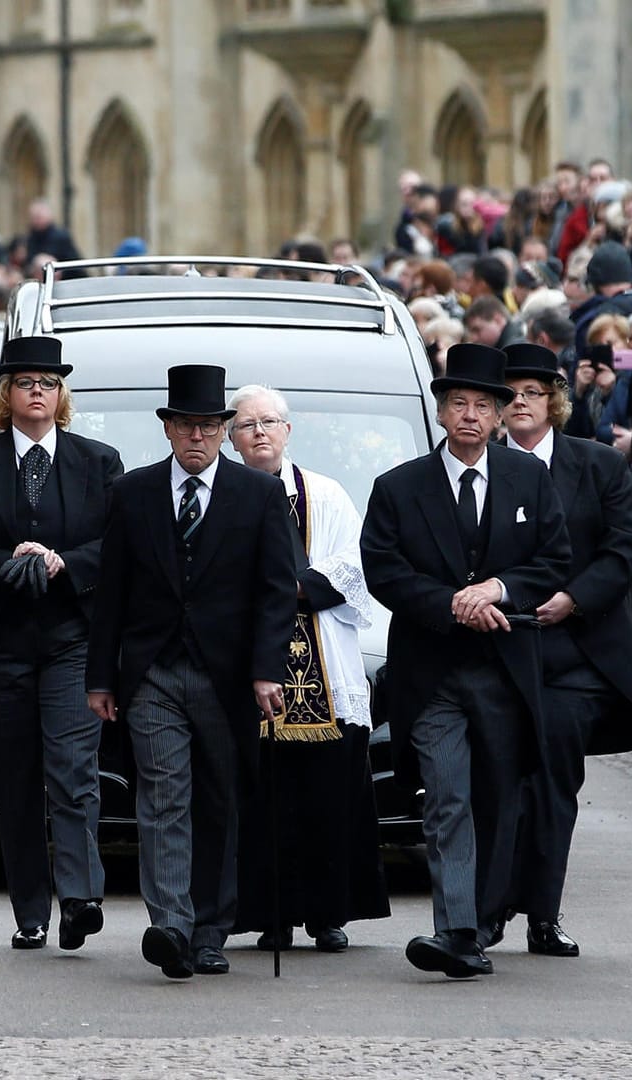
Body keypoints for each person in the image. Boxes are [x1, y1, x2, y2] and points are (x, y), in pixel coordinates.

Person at [360, 343, 571, 980]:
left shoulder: (528, 480)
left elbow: (553, 561)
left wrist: (499, 589)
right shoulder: (399, 487)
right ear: (442, 411)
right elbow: (384, 570)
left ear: (501, 414)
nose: (471, 416)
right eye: (460, 404)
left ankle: (479, 922)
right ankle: (453, 930)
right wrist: (453, 603)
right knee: (446, 796)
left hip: (505, 670)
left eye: (484, 405)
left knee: (497, 798)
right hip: (432, 672)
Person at [85, 364, 299, 980]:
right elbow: (112, 593)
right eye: (186, 426)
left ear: (223, 430)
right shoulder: (132, 493)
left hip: (227, 675)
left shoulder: (257, 496)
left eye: (208, 426)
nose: (197, 437)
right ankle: (171, 927)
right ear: (170, 429)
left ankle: (211, 929)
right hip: (152, 673)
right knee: (161, 798)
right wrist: (102, 676)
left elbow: (275, 592)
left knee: (219, 801)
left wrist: (267, 670)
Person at [0, 337, 122, 949]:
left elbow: (120, 549)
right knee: (13, 781)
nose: (36, 391)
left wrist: (67, 563)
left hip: (72, 642)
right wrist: (4, 561)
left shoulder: (98, 462)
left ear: (61, 393)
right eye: (24, 382)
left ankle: (81, 897)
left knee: (74, 772)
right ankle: (31, 910)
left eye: (47, 381)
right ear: (5, 395)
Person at [489, 343, 632, 957]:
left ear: (554, 401)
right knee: (500, 783)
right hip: (500, 649)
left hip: (575, 654)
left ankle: (541, 914)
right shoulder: (479, 466)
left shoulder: (597, 465)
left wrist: (572, 600)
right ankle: (487, 911)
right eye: (509, 396)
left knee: (552, 783)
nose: (521, 405)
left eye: (532, 393)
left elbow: (622, 551)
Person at [224, 385, 389, 953]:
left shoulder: (326, 494)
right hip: (250, 664)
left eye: (270, 422)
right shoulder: (223, 494)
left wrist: (288, 589)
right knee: (263, 796)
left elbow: (353, 562)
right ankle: (271, 914)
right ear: (231, 436)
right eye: (247, 425)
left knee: (326, 795)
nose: (260, 432)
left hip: (322, 657)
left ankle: (326, 913)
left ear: (288, 431)